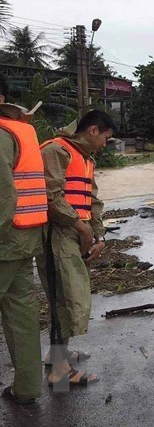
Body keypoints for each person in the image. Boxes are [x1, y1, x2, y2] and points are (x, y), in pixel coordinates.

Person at [39, 110, 116, 390]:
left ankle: (56, 354)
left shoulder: (85, 159)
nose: (106, 144)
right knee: (65, 298)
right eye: (106, 138)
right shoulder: (56, 150)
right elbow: (51, 196)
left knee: (68, 296)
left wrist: (99, 235)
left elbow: (92, 200)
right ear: (93, 131)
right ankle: (59, 374)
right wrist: (81, 228)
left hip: (75, 233)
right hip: (56, 234)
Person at [0, 75, 47, 405]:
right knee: (21, 315)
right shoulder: (24, 131)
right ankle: (27, 388)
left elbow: (3, 196)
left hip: (4, 238)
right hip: (26, 236)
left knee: (21, 314)